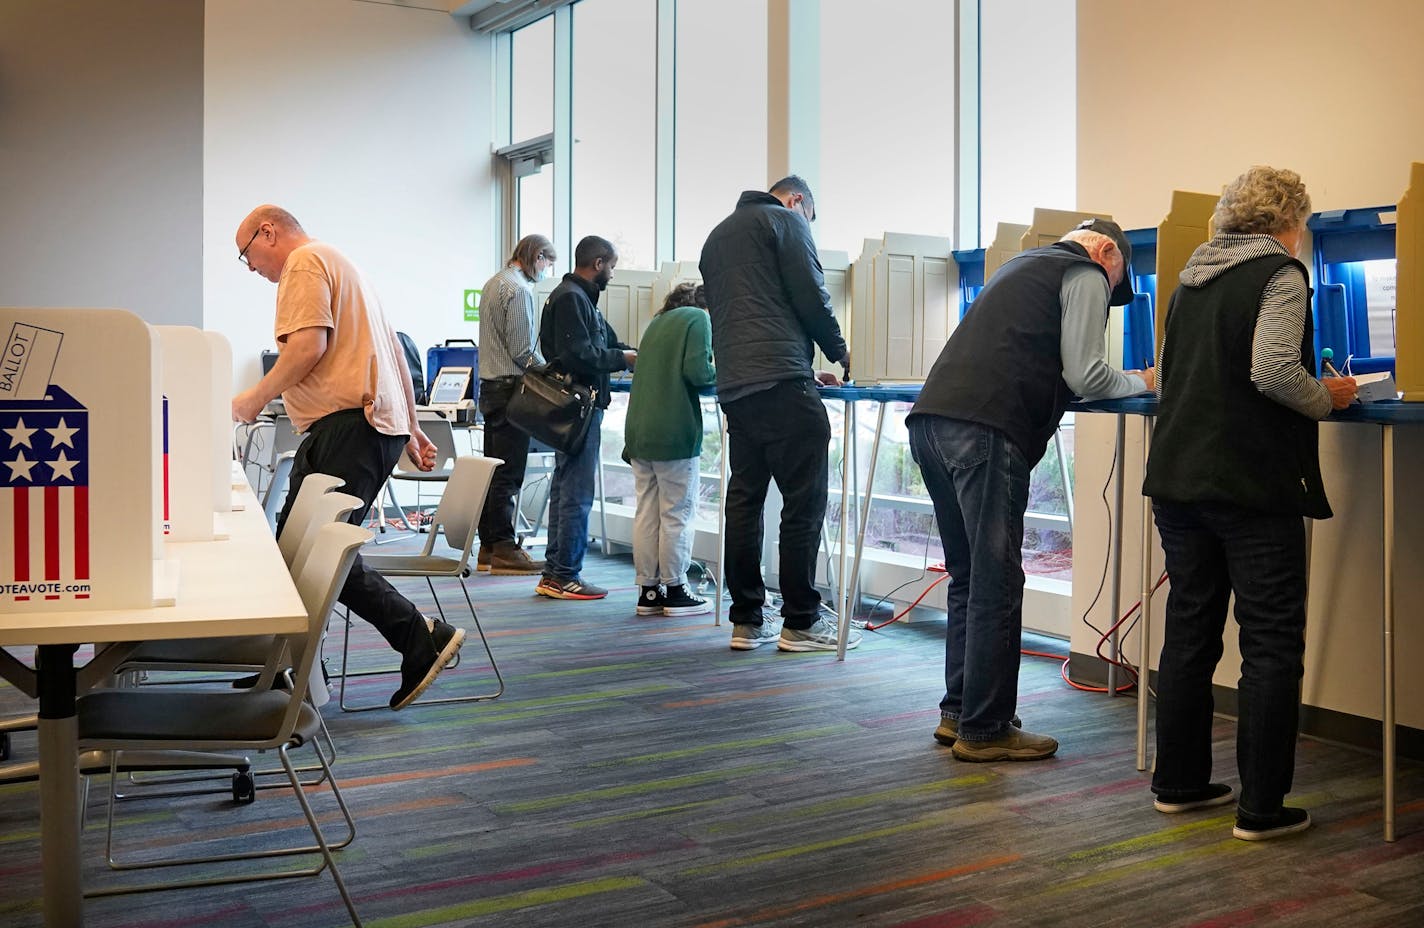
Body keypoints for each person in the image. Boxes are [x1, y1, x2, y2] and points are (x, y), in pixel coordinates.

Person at [1143, 166, 1356, 840]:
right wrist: (1329, 398)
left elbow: (1173, 373)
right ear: (1289, 222)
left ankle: (1178, 783)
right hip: (1250, 484)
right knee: (1269, 643)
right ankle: (1262, 809)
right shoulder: (1282, 275)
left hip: (1177, 479)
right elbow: (1271, 369)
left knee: (1191, 630)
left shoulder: (1190, 279)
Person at [907, 218, 1153, 762]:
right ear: (1107, 252)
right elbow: (1088, 375)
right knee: (996, 580)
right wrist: (1144, 381)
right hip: (985, 430)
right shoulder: (1084, 270)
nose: (1109, 295)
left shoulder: (1019, 266)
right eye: (1117, 286)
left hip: (929, 423)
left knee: (969, 577)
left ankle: (959, 713)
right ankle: (987, 729)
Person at [230, 205, 465, 711]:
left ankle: (417, 637)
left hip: (347, 429)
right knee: (303, 552)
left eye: (247, 255)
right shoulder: (344, 265)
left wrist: (249, 401)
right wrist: (410, 428)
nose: (251, 269)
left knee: (319, 555)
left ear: (267, 232)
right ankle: (293, 669)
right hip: (361, 426)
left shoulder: (305, 263)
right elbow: (393, 355)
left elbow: (307, 348)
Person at [700, 175, 860, 653]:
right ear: (797, 202)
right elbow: (810, 295)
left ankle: (747, 619)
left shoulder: (718, 236)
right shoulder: (786, 222)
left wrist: (804, 369)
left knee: (745, 500)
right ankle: (802, 621)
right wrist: (843, 355)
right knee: (803, 503)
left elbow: (754, 312)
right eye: (808, 215)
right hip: (783, 385)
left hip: (737, 387)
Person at [534, 235, 635, 600]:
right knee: (576, 492)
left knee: (565, 488)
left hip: (576, 407)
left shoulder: (575, 298)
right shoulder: (573, 299)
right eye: (611, 266)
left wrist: (626, 353)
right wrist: (624, 360)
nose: (612, 273)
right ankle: (564, 574)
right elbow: (581, 354)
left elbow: (605, 343)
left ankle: (554, 573)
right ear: (598, 264)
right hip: (579, 407)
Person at [624, 282, 716, 617]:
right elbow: (699, 373)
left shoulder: (656, 323)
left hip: (639, 432)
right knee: (676, 513)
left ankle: (648, 592)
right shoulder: (698, 319)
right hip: (673, 431)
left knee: (646, 511)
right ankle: (676, 589)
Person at [475, 234, 555, 575]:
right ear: (536, 257)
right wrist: (552, 372)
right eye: (547, 263)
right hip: (510, 390)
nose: (546, 272)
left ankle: (489, 548)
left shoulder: (494, 283)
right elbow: (523, 351)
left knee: (492, 471)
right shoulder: (519, 290)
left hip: (490, 388)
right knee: (508, 474)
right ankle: (506, 549)